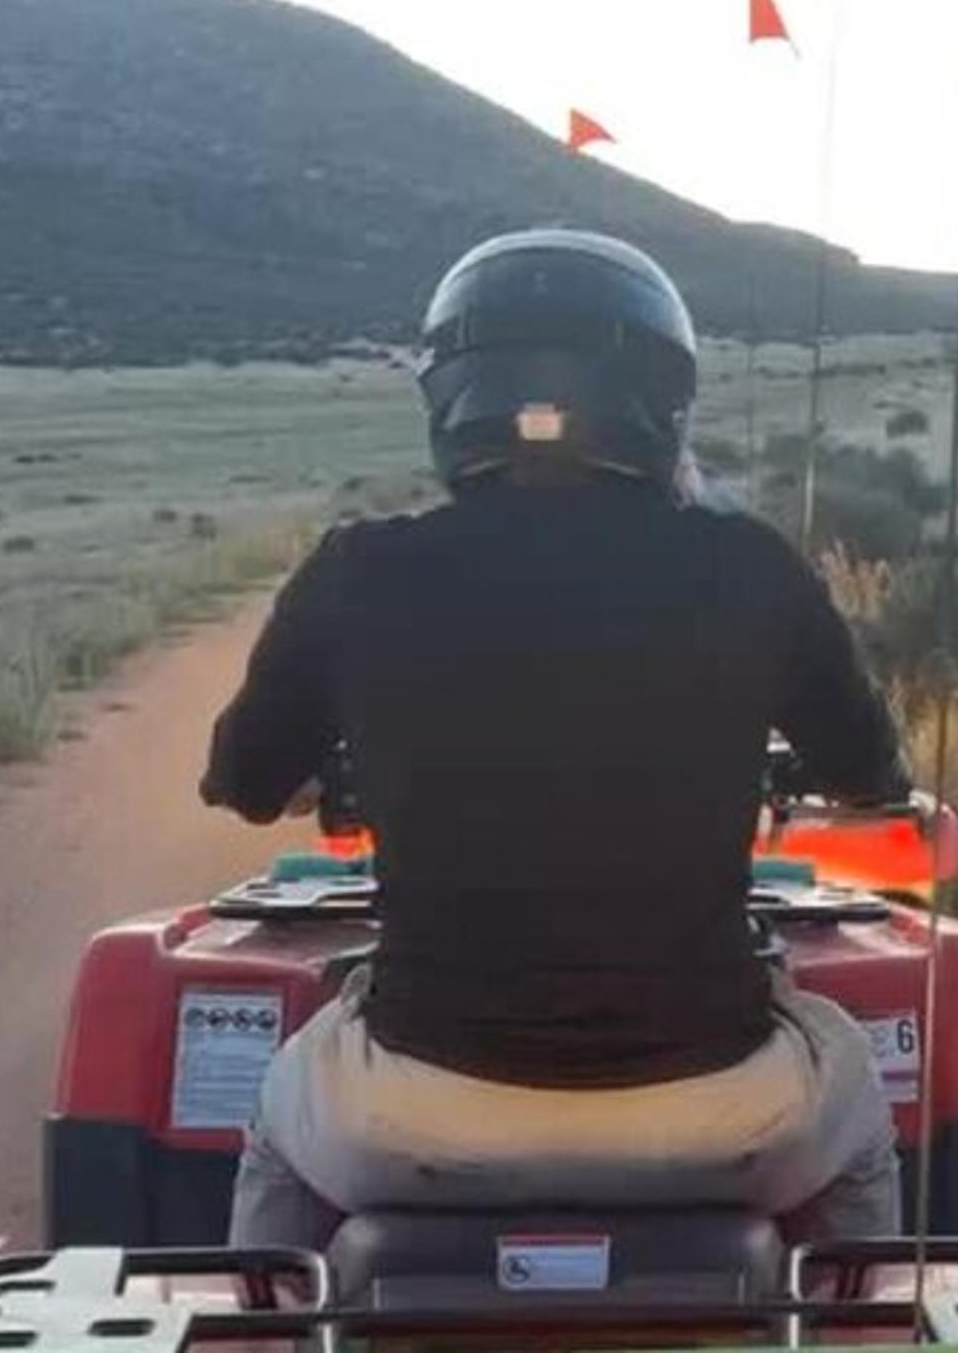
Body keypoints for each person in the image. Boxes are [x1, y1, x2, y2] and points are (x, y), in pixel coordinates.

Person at [200, 228, 912, 1250]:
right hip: (717, 1116)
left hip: (410, 1120)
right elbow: (864, 770)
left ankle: (264, 1327)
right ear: (661, 397)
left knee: (277, 1115)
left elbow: (245, 779)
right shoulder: (748, 566)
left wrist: (325, 773)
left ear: (450, 393)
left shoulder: (359, 568)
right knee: (856, 1111)